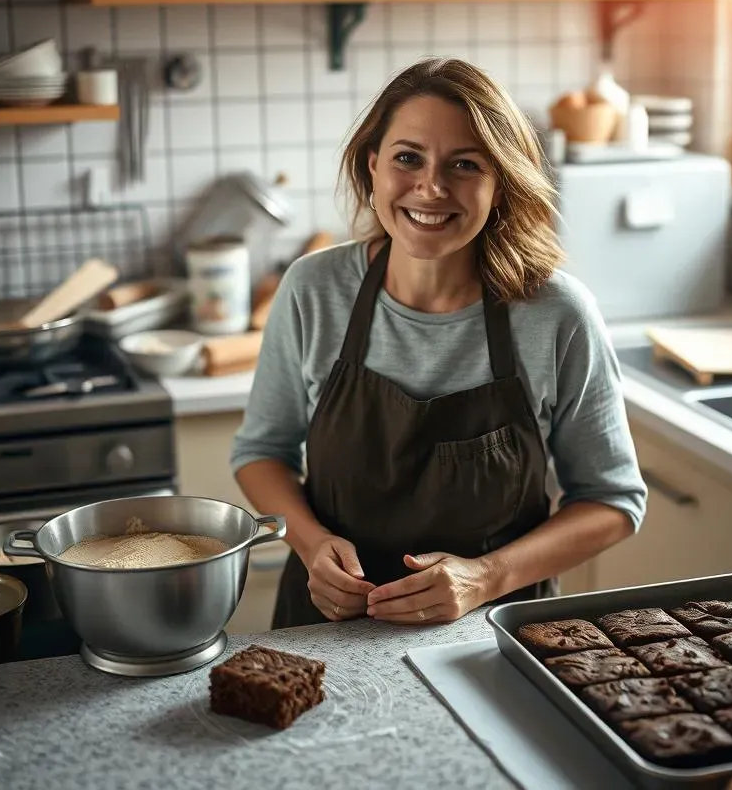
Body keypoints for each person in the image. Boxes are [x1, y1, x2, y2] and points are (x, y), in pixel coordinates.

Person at [231, 58, 646, 629]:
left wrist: (487, 577)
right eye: (408, 158)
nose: (431, 187)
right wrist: (311, 545)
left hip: (497, 637)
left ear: (500, 183)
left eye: (465, 164)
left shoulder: (556, 315)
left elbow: (613, 501)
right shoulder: (314, 289)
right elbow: (260, 454)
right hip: (326, 629)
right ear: (372, 166)